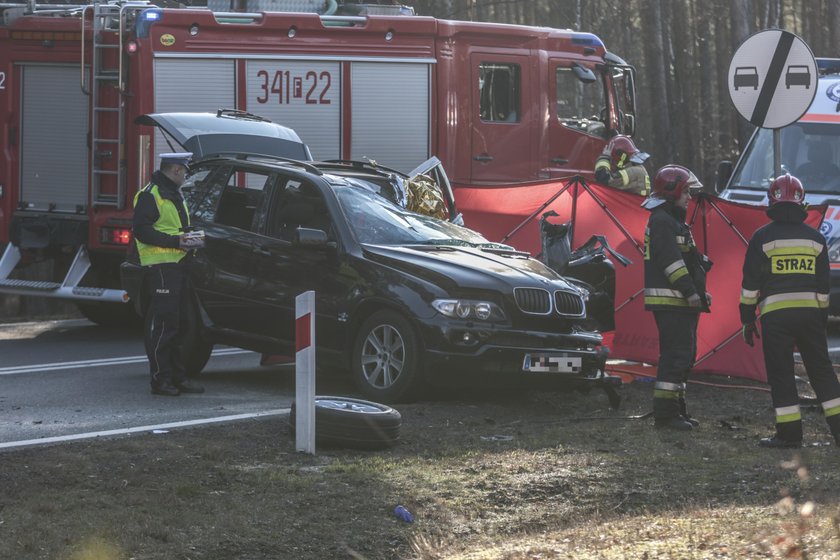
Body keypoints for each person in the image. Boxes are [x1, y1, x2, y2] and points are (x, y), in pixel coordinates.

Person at [740, 174, 840, 448]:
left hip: (776, 318)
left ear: (771, 201)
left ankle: (789, 435)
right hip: (810, 316)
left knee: (782, 373)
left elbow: (750, 285)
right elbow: (823, 288)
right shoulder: (816, 239)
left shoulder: (761, 238)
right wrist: (819, 320)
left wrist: (747, 320)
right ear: (801, 202)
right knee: (822, 372)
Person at [642, 165, 711, 431]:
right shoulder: (662, 221)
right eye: (686, 192)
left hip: (681, 301)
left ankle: (677, 411)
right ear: (672, 192)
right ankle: (666, 416)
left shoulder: (672, 220)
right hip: (672, 302)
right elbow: (671, 263)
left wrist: (699, 293)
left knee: (684, 357)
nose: (689, 198)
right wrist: (690, 291)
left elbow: (689, 262)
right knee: (675, 357)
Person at [132, 152, 206, 397]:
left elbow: (173, 226)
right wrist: (177, 241)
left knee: (180, 324)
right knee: (165, 326)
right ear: (175, 170)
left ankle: (177, 377)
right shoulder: (150, 195)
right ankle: (160, 381)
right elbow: (142, 232)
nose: (185, 176)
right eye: (184, 171)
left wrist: (189, 237)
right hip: (161, 266)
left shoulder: (172, 192)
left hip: (178, 264)